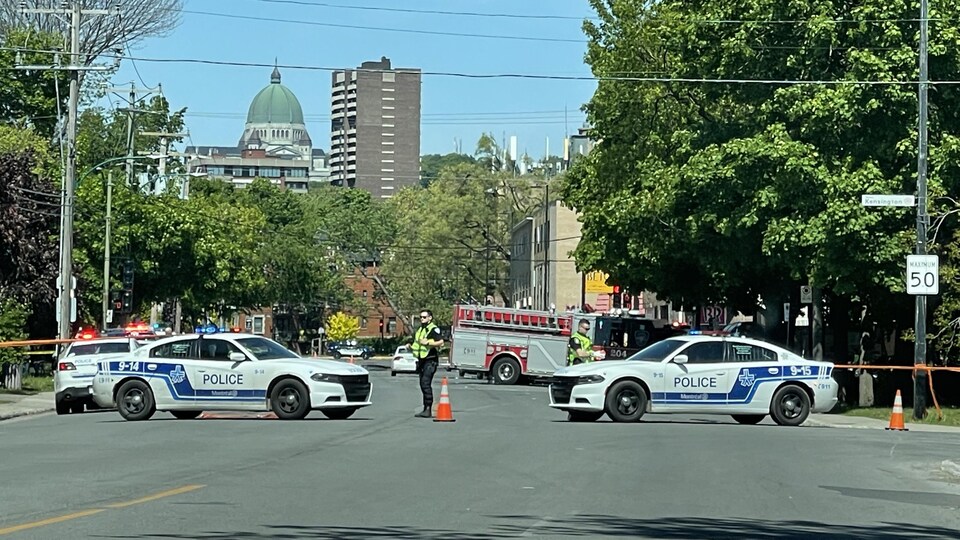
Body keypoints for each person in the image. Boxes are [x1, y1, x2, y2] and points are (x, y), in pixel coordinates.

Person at [411, 309, 444, 418]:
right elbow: (417, 344)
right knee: (422, 383)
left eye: (424, 317)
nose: (422, 319)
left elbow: (441, 342)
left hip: (430, 360)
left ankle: (428, 409)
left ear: (430, 318)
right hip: (421, 361)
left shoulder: (433, 329)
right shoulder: (420, 329)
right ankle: (425, 408)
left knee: (425, 383)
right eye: (421, 317)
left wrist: (428, 342)